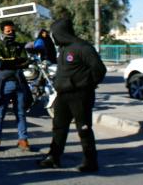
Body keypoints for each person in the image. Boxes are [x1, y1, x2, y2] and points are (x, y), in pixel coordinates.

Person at [38, 18, 107, 172]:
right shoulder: (62, 49)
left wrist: (86, 85)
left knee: (83, 128)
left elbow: (99, 70)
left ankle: (90, 161)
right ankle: (53, 157)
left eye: (54, 34)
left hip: (80, 95)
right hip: (62, 95)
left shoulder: (83, 48)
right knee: (59, 127)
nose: (53, 37)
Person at [0, 20, 32, 152]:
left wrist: (10, 62)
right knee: (0, 112)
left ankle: (23, 139)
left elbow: (26, 62)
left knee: (21, 113)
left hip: (19, 82)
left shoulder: (20, 46)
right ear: (2, 32)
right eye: (8, 31)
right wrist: (16, 62)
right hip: (4, 84)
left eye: (12, 31)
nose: (11, 33)